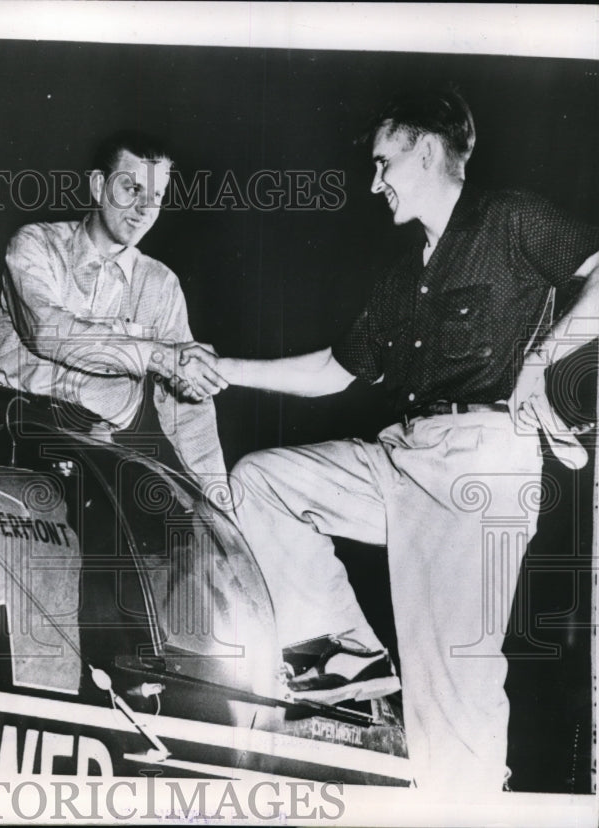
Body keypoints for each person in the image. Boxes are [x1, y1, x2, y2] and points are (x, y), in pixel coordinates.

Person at [189, 88, 599, 791]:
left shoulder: (510, 219)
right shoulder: (403, 275)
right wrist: (221, 368)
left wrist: (542, 361)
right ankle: (349, 654)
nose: (374, 182)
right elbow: (333, 370)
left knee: (449, 677)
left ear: (427, 151)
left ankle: (466, 802)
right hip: (401, 456)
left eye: (384, 163)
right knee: (263, 481)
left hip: (480, 462)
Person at [0, 130, 229, 498]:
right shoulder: (35, 245)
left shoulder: (161, 285)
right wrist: (158, 355)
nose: (145, 208)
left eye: (156, 195)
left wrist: (221, 500)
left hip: (97, 448)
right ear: (98, 186)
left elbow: (189, 411)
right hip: (15, 428)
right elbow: (48, 332)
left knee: (163, 540)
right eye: (132, 189)